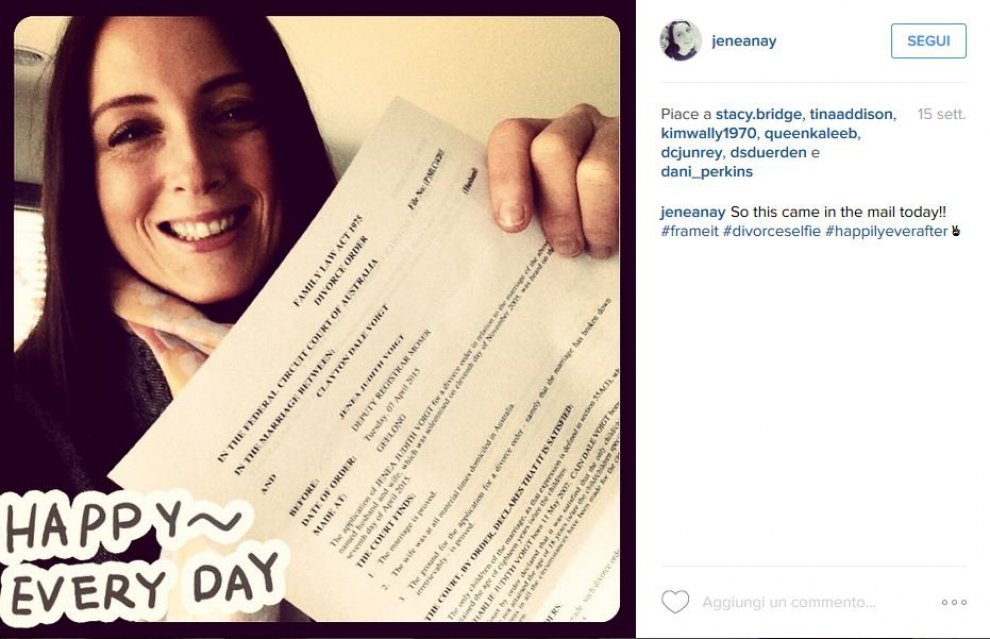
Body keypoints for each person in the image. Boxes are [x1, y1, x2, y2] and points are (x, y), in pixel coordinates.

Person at [7, 16, 618, 620]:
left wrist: (624, 240)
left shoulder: (448, 309)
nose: (195, 169)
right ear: (82, 176)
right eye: (133, 130)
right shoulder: (20, 434)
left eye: (233, 111)